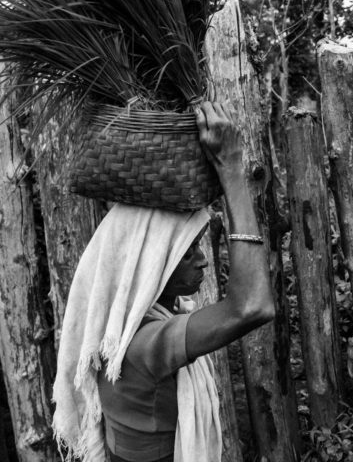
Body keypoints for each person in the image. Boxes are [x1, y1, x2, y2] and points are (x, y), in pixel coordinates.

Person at [52, 102, 274, 462]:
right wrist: (232, 170)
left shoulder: (122, 323)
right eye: (186, 253)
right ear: (148, 266)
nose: (202, 259)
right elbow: (253, 307)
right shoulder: (143, 345)